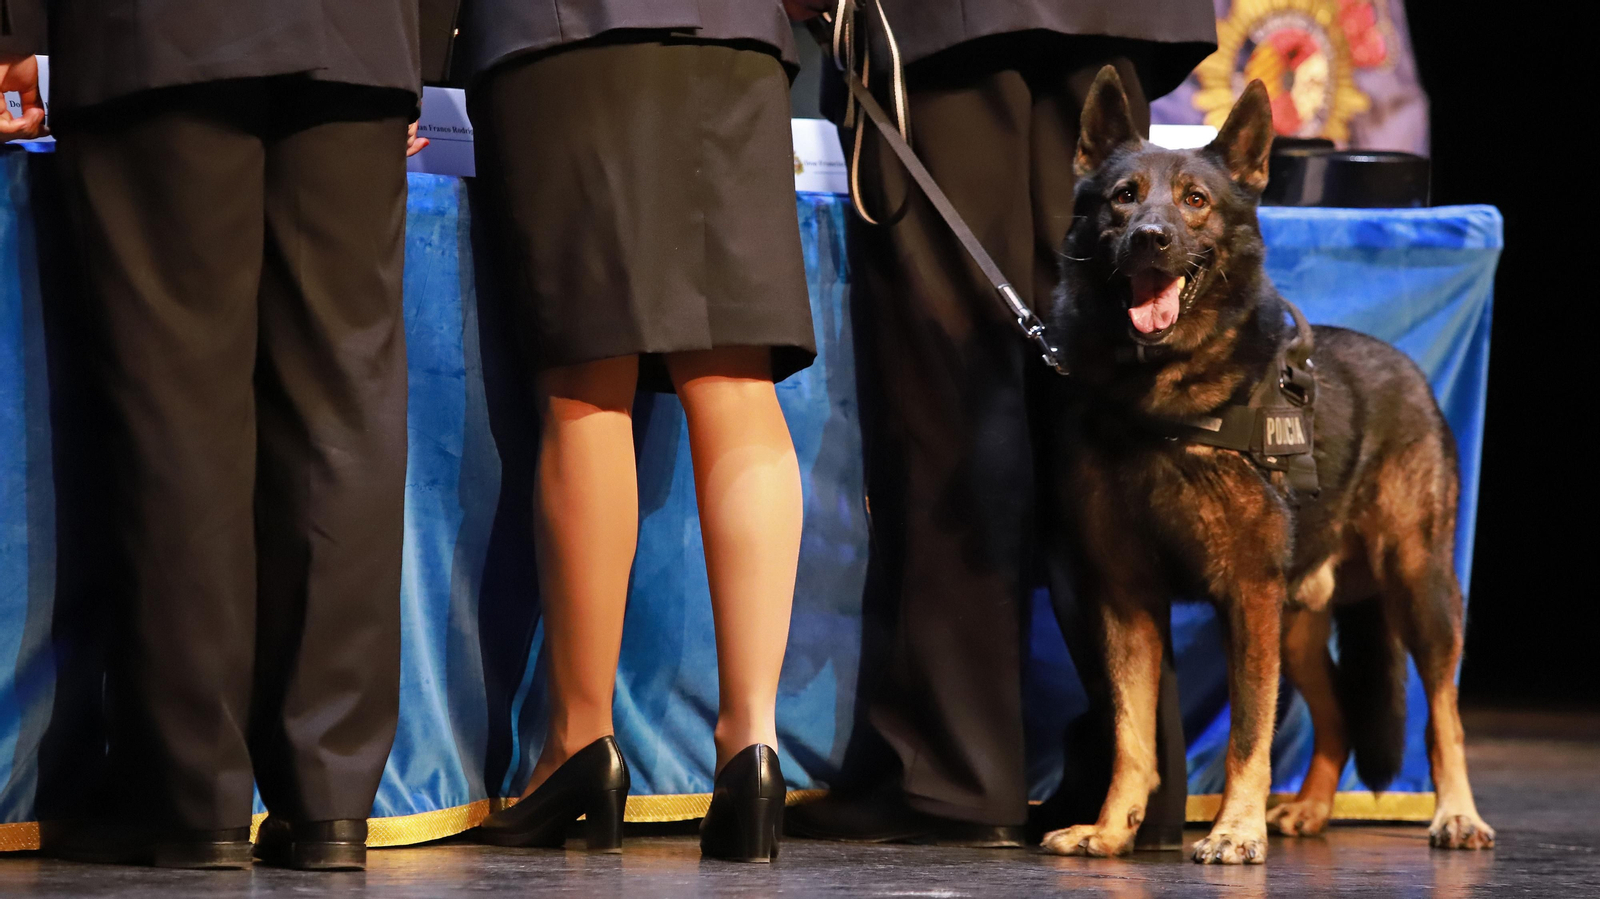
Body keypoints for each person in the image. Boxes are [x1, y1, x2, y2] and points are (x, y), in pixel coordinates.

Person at [1, 0, 443, 871]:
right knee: (344, 401)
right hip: (359, 38)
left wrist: (15, 31)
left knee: (180, 404)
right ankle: (330, 804)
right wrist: (415, 54)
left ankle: (193, 796)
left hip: (163, 33)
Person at [782, 1, 1217, 848]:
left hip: (944, 26)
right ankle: (1135, 779)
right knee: (1095, 413)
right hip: (1108, 15)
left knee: (955, 393)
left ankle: (954, 775)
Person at [447, 0, 816, 861]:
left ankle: (579, 742)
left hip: (571, 32)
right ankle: (752, 748)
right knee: (736, 380)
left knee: (588, 384)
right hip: (734, 35)